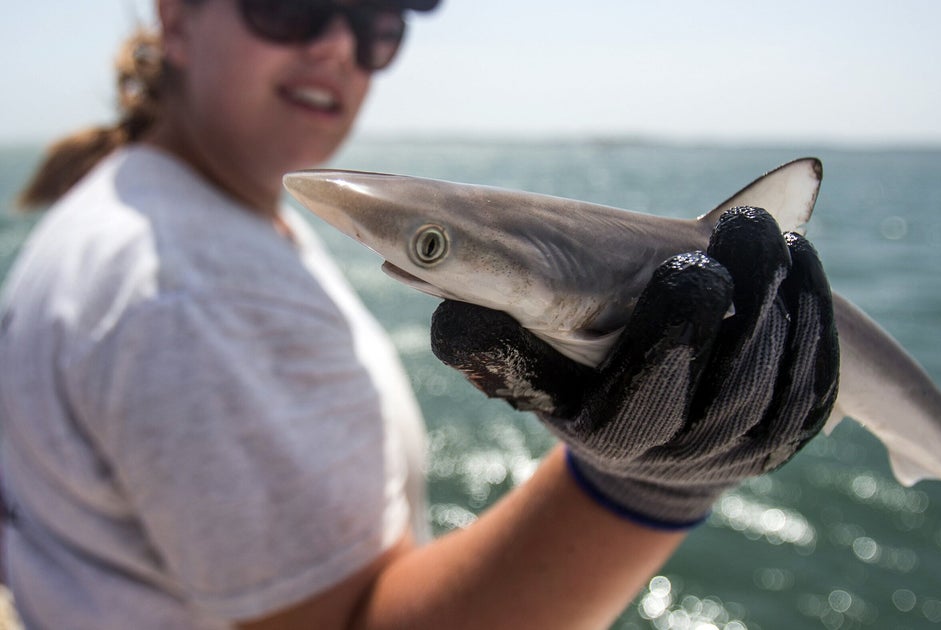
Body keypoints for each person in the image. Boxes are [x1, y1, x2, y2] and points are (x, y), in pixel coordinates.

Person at [0, 0, 839, 628]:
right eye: (290, 4)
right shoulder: (193, 292)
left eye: (377, 25)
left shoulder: (147, 207)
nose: (338, 46)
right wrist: (646, 478)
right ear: (177, 19)